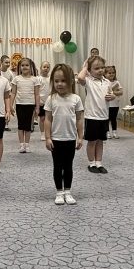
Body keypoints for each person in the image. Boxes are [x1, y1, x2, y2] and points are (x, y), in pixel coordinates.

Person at [44, 63, 84, 206]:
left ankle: (67, 191)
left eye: (63, 81)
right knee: (57, 166)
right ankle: (59, 192)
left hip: (70, 138)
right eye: (56, 81)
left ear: (71, 81)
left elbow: (79, 119)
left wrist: (80, 137)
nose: (59, 84)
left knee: (68, 166)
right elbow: (47, 119)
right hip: (56, 139)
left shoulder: (76, 99)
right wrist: (47, 137)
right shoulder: (51, 99)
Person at [76, 55, 115, 173]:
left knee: (100, 141)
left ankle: (99, 162)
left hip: (104, 116)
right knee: (92, 141)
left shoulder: (107, 82)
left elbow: (111, 94)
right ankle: (91, 163)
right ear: (89, 70)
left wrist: (113, 96)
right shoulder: (88, 81)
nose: (100, 70)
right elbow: (80, 77)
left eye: (102, 67)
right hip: (92, 116)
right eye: (96, 68)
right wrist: (85, 67)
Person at [10, 57, 41, 153]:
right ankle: (21, 144)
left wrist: (37, 107)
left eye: (27, 65)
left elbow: (37, 94)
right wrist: (10, 105)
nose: (24, 67)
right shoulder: (16, 79)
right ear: (19, 67)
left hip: (30, 104)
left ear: (31, 67)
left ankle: (27, 144)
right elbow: (13, 93)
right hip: (20, 104)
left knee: (28, 126)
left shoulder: (34, 79)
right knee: (20, 125)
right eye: (22, 65)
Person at [105, 66, 124, 139]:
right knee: (107, 118)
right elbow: (105, 92)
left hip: (115, 104)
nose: (111, 74)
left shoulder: (117, 82)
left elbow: (121, 92)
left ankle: (114, 132)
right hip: (107, 104)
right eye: (109, 73)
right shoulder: (105, 82)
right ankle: (107, 132)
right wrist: (114, 91)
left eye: (113, 73)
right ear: (105, 74)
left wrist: (112, 92)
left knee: (114, 118)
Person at [37, 60, 51, 141]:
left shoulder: (51, 78)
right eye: (44, 67)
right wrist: (39, 101)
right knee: (42, 118)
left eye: (47, 67)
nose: (46, 68)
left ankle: (48, 133)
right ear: (41, 68)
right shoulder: (38, 79)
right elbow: (36, 91)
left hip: (49, 101)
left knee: (49, 118)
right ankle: (42, 133)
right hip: (41, 101)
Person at [0, 56, 15, 131]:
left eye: (9, 62)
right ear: (1, 62)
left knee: (7, 108)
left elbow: (12, 83)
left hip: (7, 93)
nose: (8, 64)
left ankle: (6, 125)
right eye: (6, 62)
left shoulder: (10, 73)